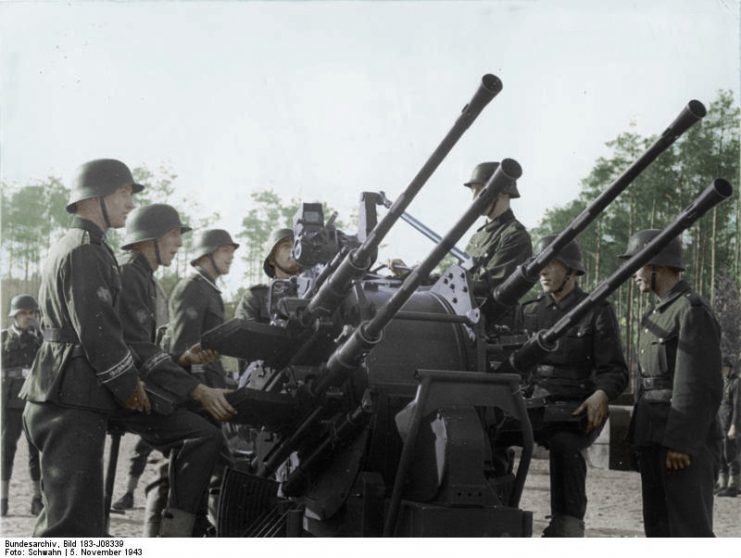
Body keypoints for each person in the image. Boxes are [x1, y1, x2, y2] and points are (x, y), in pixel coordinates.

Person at [20, 158, 150, 537]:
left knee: (77, 522)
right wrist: (129, 385)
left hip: (66, 393)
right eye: (124, 193)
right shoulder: (85, 249)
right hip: (70, 398)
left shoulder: (78, 244)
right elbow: (98, 332)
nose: (130, 204)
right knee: (68, 529)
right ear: (96, 197)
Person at [113, 204, 236, 536]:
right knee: (192, 448)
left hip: (165, 382)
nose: (178, 243)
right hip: (138, 388)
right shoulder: (134, 275)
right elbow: (144, 348)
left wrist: (187, 363)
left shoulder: (144, 277)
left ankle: (183, 531)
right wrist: (195, 390)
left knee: (200, 453)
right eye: (172, 235)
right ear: (147, 239)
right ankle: (172, 535)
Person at [517, 236, 628, 537]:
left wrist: (601, 394)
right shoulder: (528, 312)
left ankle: (567, 527)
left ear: (572, 271)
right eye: (540, 265)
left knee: (566, 446)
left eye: (551, 264)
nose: (543, 271)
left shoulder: (595, 310)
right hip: (533, 403)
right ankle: (497, 515)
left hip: (575, 405)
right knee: (487, 435)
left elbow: (614, 370)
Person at [622, 229, 722, 537]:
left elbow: (697, 384)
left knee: (688, 530)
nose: (632, 274)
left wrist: (682, 442)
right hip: (655, 438)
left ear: (657, 265)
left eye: (636, 265)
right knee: (659, 529)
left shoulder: (691, 311)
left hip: (682, 443)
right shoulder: (658, 312)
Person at [463, 162, 532, 327]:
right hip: (468, 318)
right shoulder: (477, 236)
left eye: (480, 192)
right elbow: (461, 276)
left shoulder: (515, 235)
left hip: (493, 326)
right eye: (474, 192)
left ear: (502, 192)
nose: (474, 199)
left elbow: (490, 286)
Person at [1, 294, 43, 517]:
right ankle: (3, 498)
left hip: (32, 403)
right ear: (14, 315)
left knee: (35, 452)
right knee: (6, 451)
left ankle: (37, 499)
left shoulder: (38, 340)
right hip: (8, 405)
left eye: (31, 313)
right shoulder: (2, 338)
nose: (28, 317)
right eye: (24, 313)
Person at [235, 228, 300, 323]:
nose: (293, 251)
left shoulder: (314, 293)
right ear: (272, 260)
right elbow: (244, 334)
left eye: (296, 246)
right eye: (286, 246)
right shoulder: (256, 297)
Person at [716, 355, 739, 497]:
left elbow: (737, 406)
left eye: (724, 368)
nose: (723, 371)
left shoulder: (737, 383)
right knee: (721, 455)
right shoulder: (723, 382)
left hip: (730, 423)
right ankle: (722, 483)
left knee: (731, 455)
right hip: (721, 422)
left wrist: (734, 426)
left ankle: (733, 485)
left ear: (730, 369)